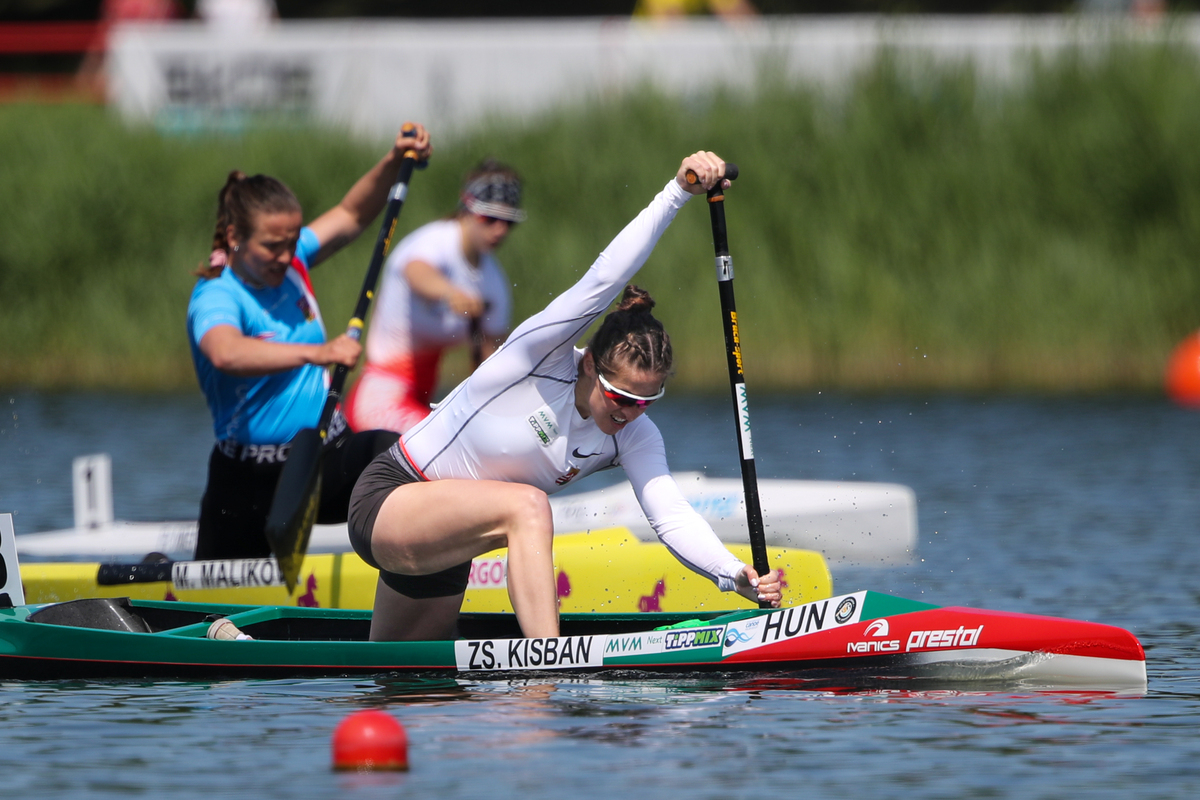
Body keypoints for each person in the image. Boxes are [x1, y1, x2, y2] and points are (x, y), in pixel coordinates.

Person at [348, 151, 784, 642]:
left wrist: (733, 574)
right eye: (620, 396)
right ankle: (547, 664)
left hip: (451, 545)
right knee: (529, 507)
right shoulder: (541, 354)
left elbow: (671, 516)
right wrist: (678, 192)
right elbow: (604, 279)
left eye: (646, 401)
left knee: (404, 685)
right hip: (392, 499)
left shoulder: (634, 435)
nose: (628, 413)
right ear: (591, 365)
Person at [187, 124, 434, 560]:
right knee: (215, 610)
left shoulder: (291, 257)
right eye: (272, 247)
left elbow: (353, 214)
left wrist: (393, 161)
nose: (286, 257)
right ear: (233, 238)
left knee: (389, 449)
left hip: (323, 456)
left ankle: (420, 562)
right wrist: (317, 354)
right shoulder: (218, 294)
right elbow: (224, 352)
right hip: (249, 480)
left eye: (291, 243)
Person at [344, 160, 518, 435]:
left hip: (421, 397)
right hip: (380, 394)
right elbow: (416, 271)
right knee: (444, 439)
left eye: (509, 222)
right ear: (467, 207)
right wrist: (451, 293)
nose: (500, 230)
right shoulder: (434, 242)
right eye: (490, 218)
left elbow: (490, 362)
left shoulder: (494, 283)